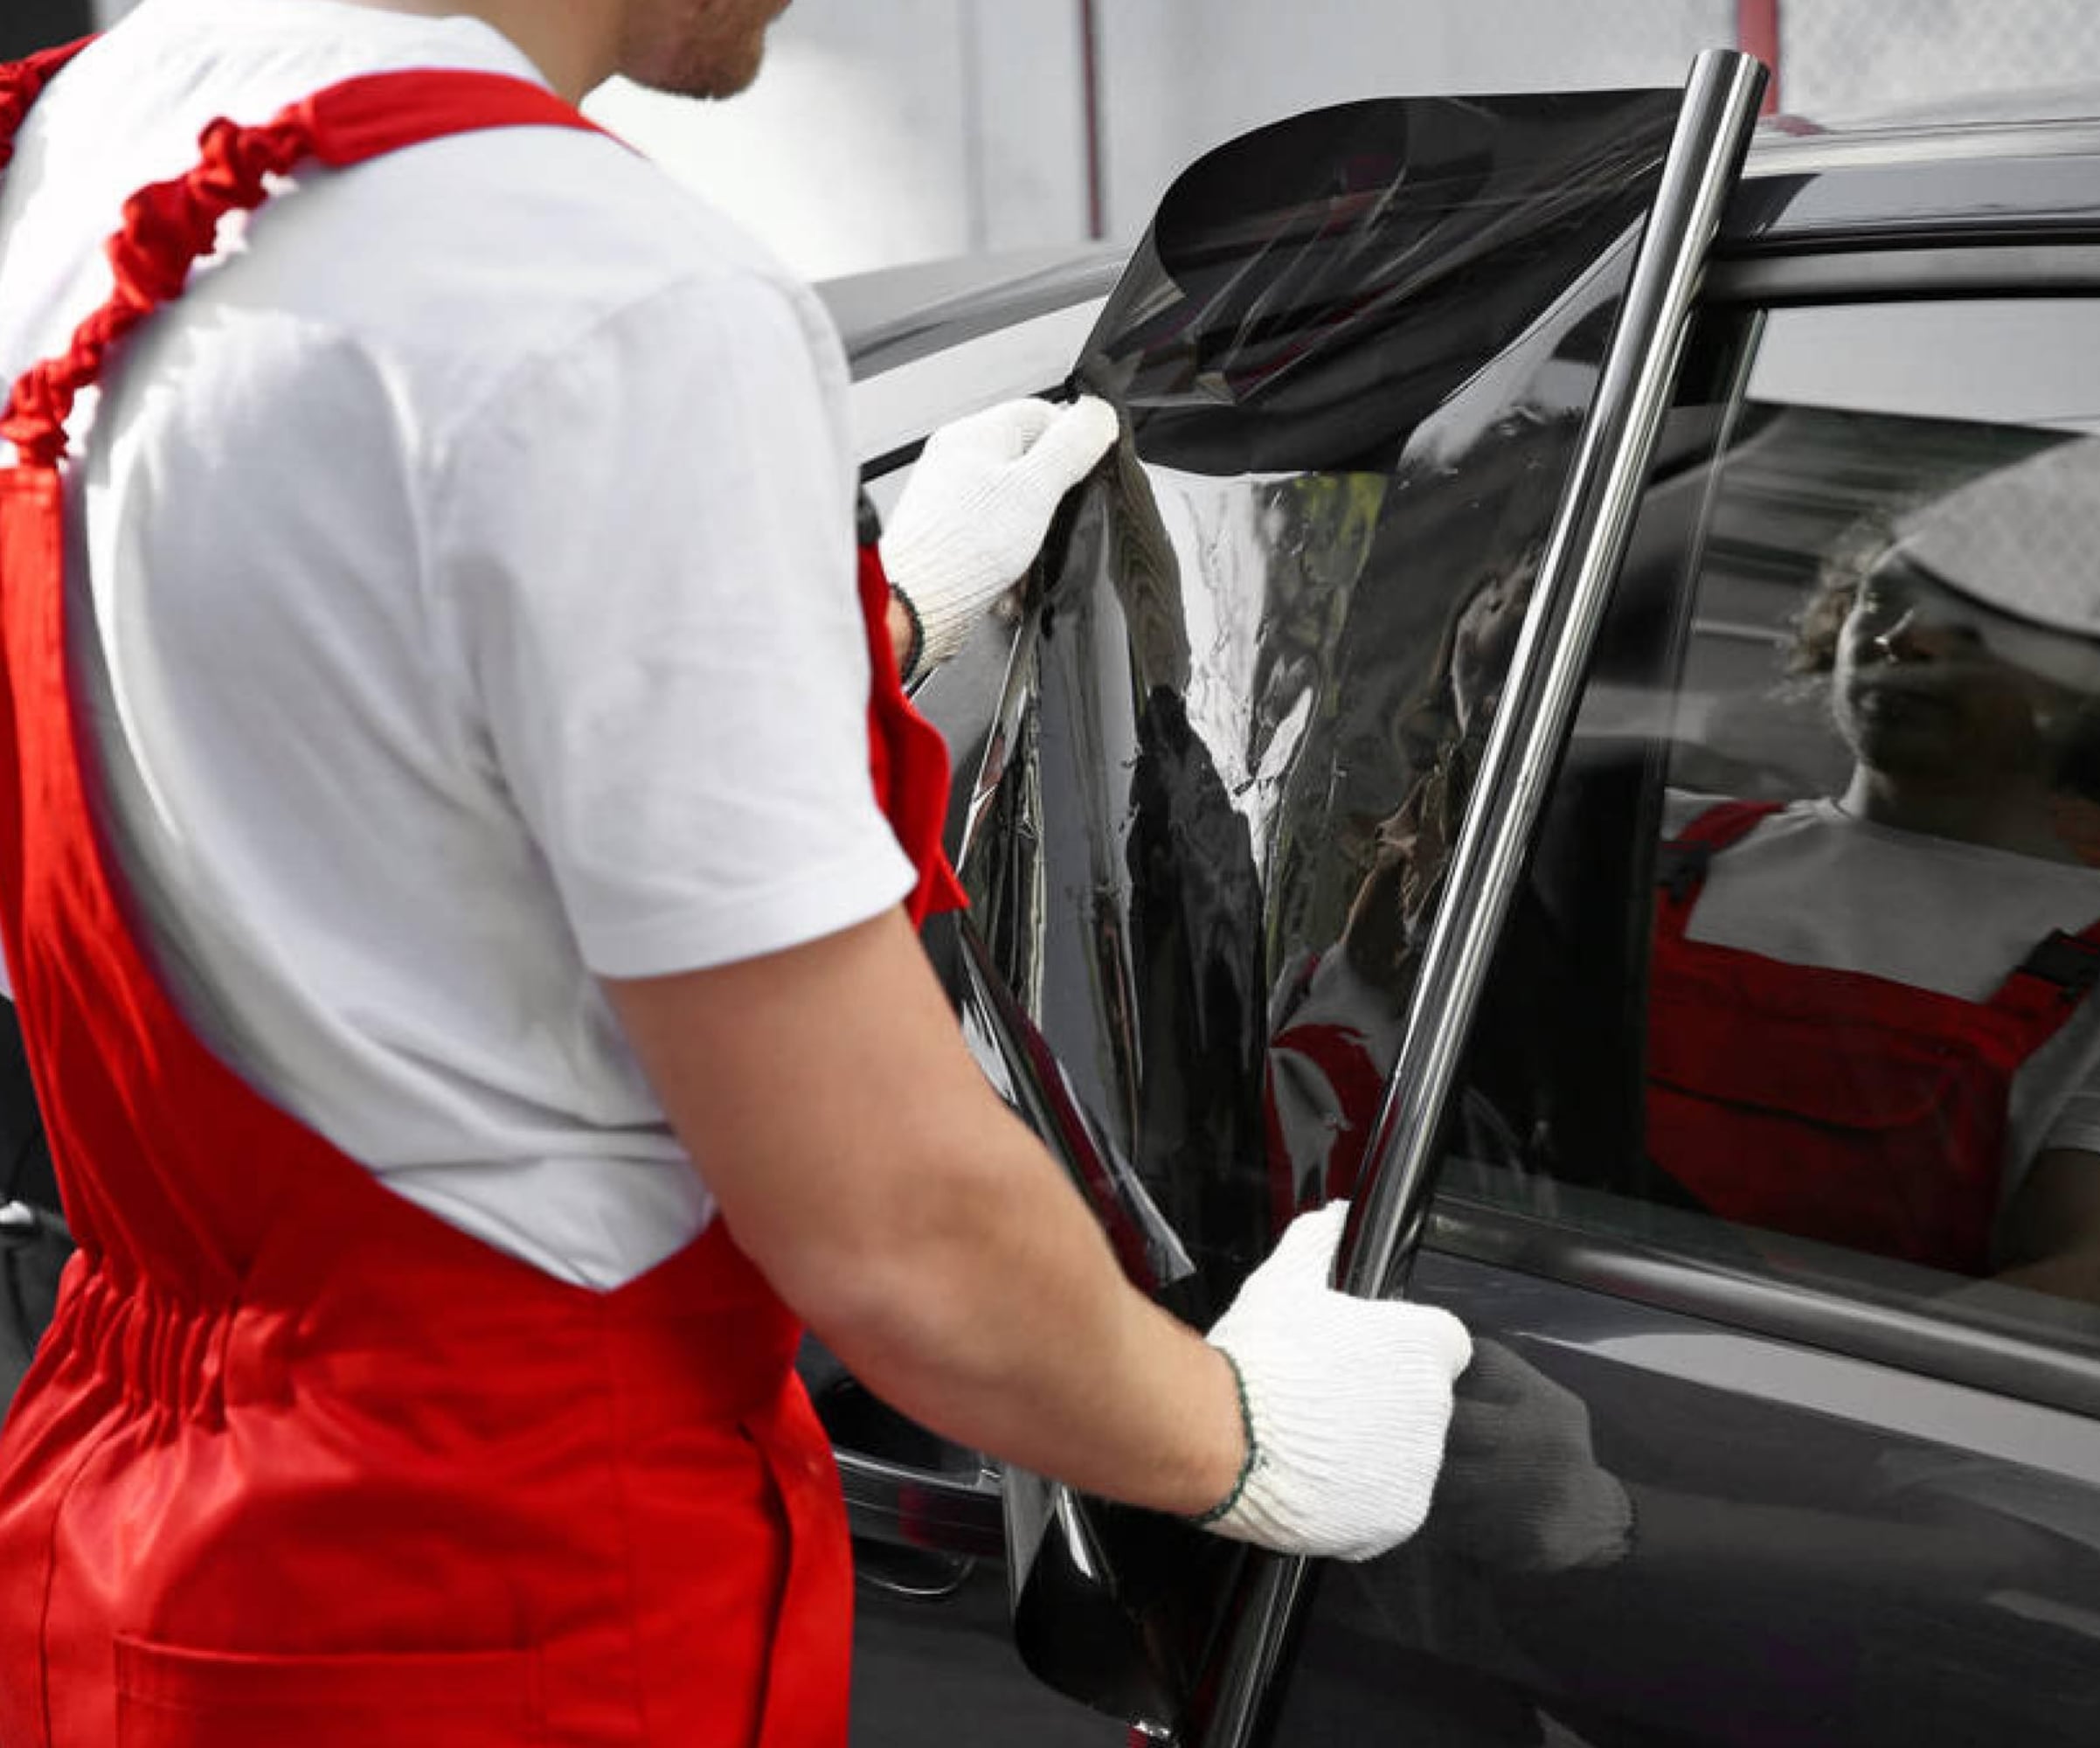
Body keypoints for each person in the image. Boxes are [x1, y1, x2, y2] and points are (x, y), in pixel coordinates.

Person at [0, 3, 1469, 1744]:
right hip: (493, 1600)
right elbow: (891, 1226)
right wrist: (1242, 1435)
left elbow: (329, 720)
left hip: (131, 1546)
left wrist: (877, 620)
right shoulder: (612, 301)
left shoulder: (88, 148)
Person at [1645, 496, 2100, 1317]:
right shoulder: (1645, 835)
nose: (1903, 638)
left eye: (1983, 626)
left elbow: (2090, 1286)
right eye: (1882, 597)